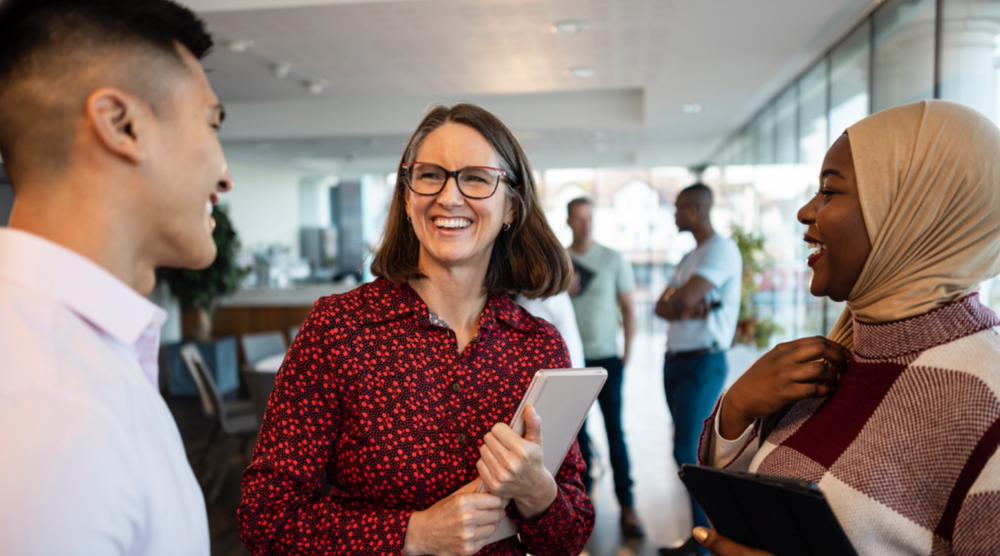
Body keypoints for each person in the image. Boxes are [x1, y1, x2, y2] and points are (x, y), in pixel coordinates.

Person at [238, 103, 594, 556]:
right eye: (430, 175)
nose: (448, 197)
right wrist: (413, 535)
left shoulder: (538, 346)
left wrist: (537, 491)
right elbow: (266, 517)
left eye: (477, 177)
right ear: (407, 198)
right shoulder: (338, 329)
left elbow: (571, 533)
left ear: (511, 206)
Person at [694, 100, 1000, 556]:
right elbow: (750, 501)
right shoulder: (844, 350)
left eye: (830, 192)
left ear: (911, 213)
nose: (804, 212)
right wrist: (736, 410)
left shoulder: (985, 400)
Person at [0, 0, 233, 553]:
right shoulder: (55, 405)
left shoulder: (78, 359)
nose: (224, 176)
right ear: (122, 125)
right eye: (210, 122)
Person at [654, 183, 742, 556]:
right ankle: (700, 537)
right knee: (686, 451)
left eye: (678, 208)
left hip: (701, 363)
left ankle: (710, 544)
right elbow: (661, 307)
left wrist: (683, 303)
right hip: (676, 360)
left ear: (695, 209)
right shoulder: (691, 256)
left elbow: (683, 299)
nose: (674, 215)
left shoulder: (720, 250)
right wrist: (682, 304)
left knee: (689, 451)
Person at [566, 196, 645, 538]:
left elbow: (628, 307)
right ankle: (581, 506)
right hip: (569, 362)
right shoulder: (559, 261)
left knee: (615, 431)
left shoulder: (613, 259)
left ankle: (627, 506)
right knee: (576, 438)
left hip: (606, 358)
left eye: (589, 219)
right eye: (579, 219)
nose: (585, 225)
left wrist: (627, 351)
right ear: (569, 221)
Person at [514, 291, 586, 369]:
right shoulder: (556, 295)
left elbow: (529, 356)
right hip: (571, 370)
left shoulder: (535, 302)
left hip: (563, 374)